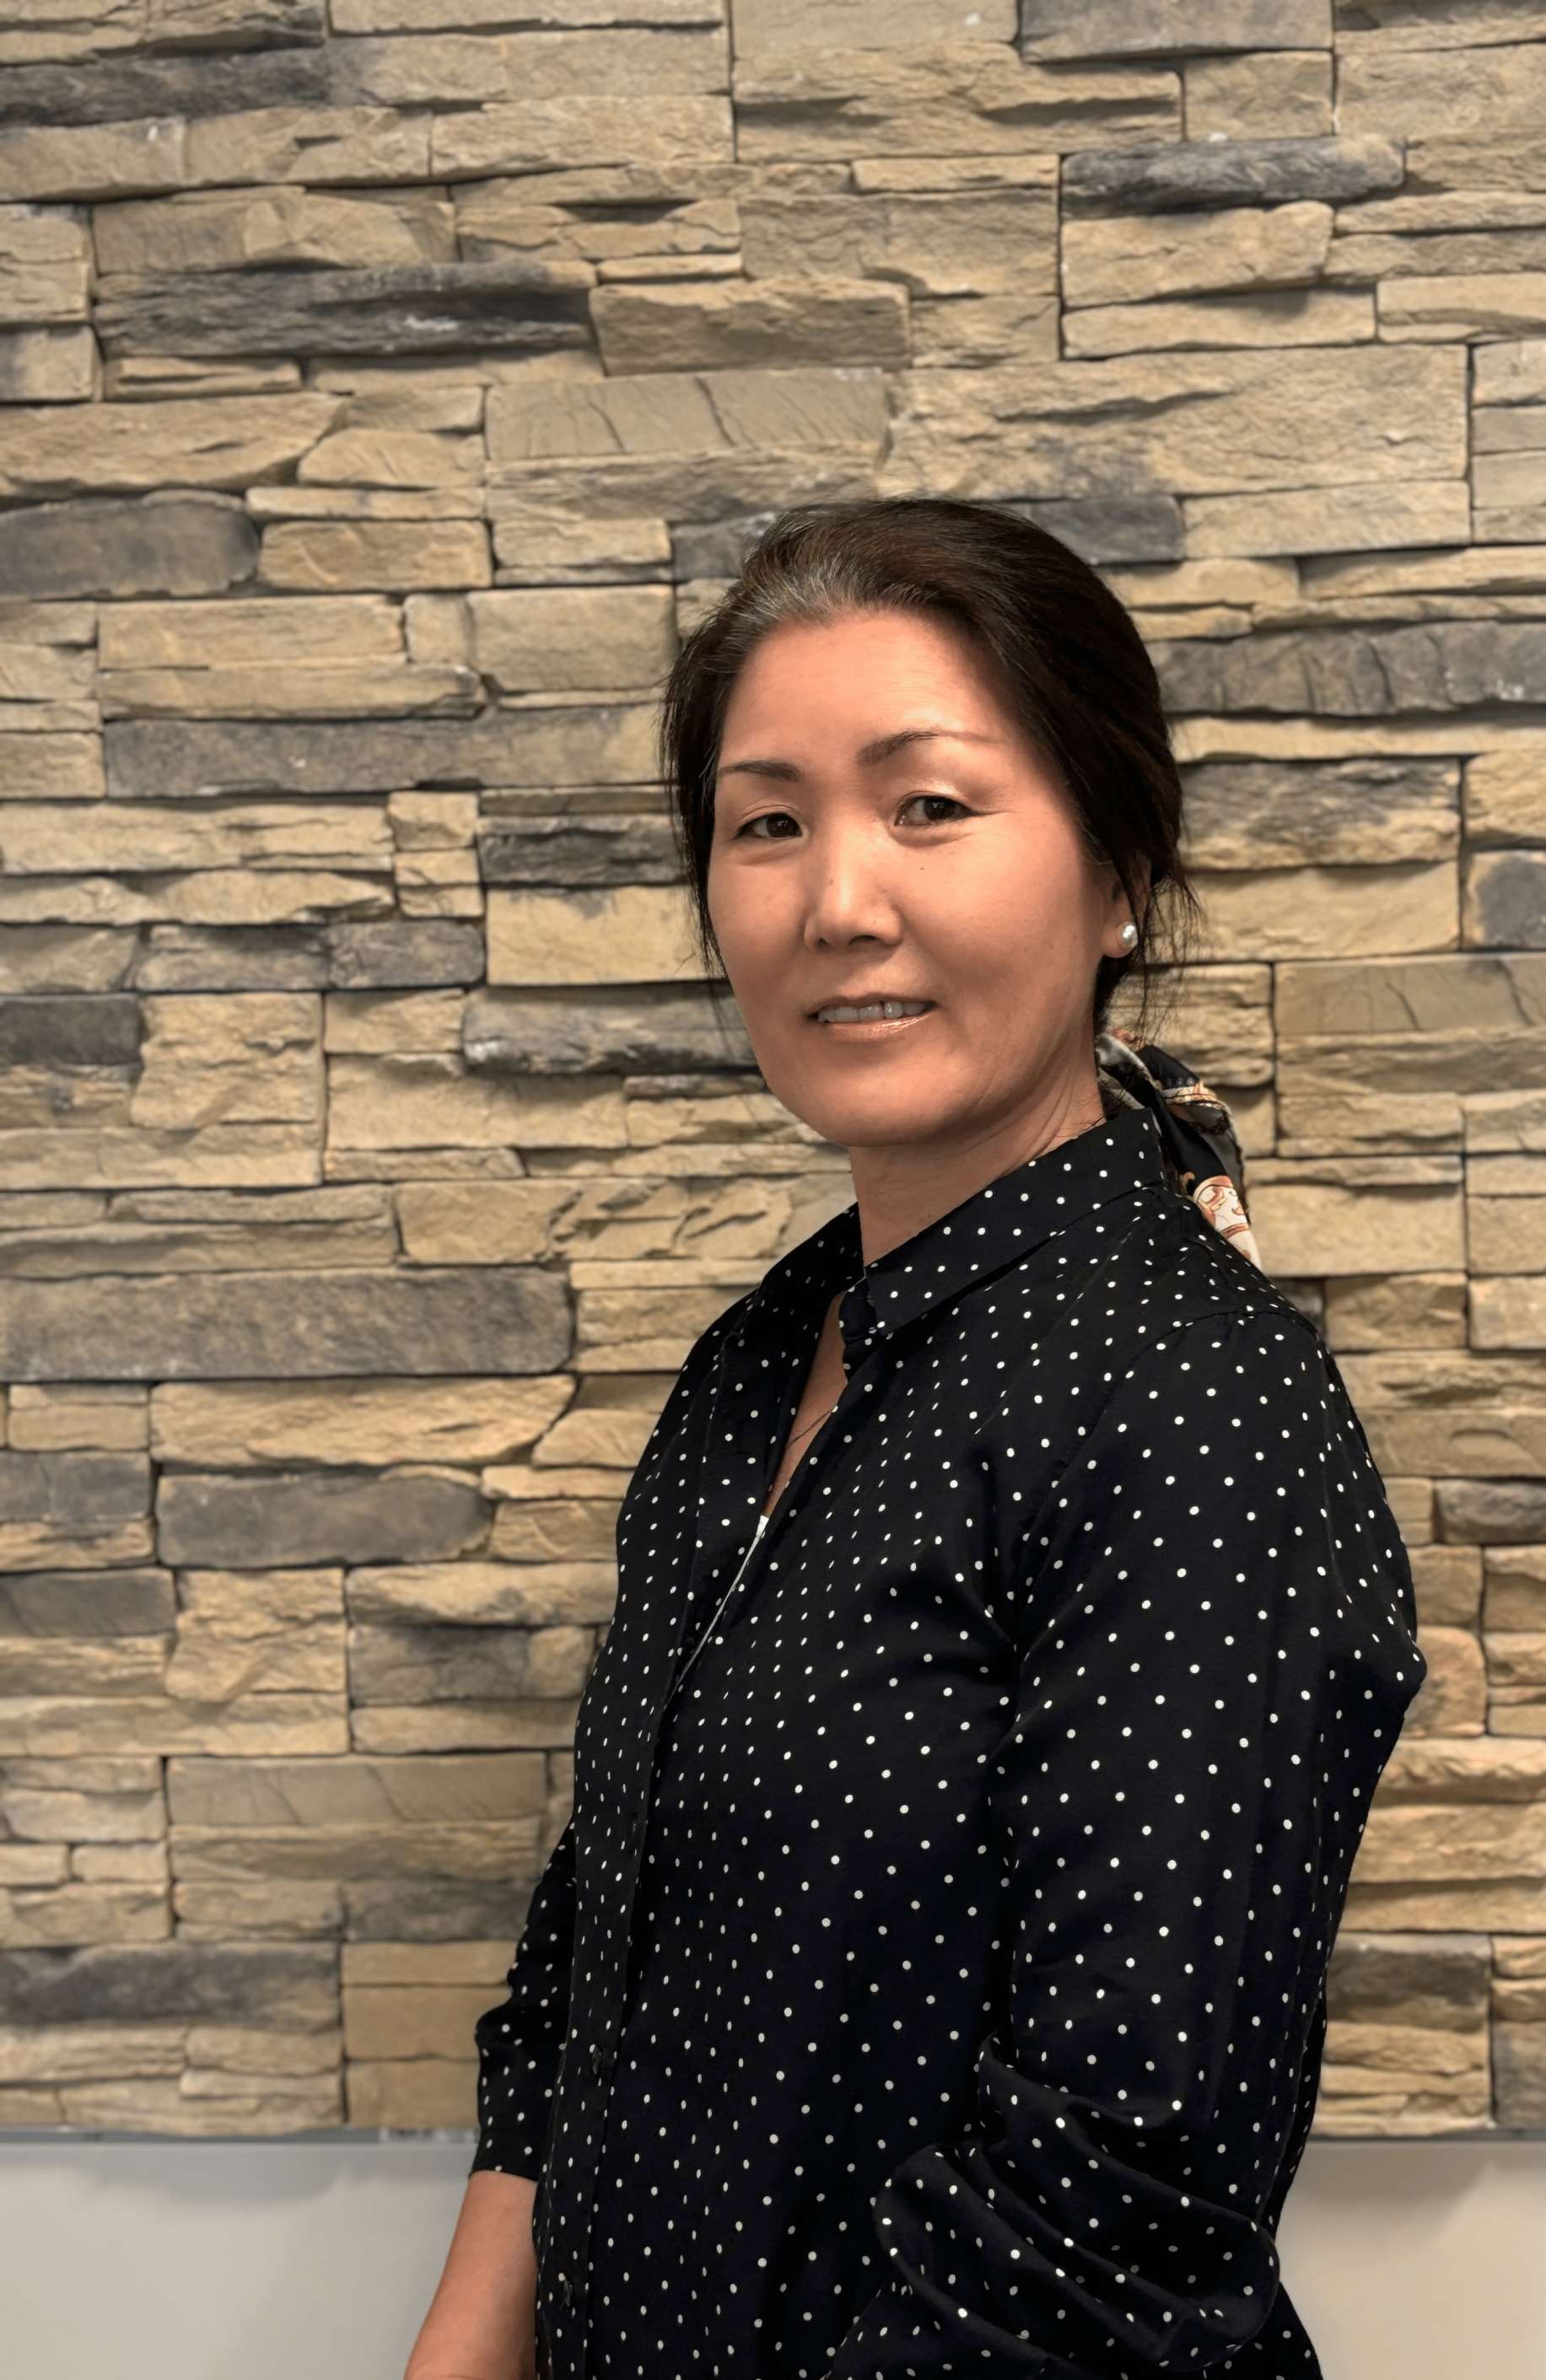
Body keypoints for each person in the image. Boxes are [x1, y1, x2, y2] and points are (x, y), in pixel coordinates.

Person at [405, 497, 1428, 2380]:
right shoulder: (753, 1367)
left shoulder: (1188, 1403)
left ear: (1116, 870)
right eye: (766, 819)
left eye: (927, 805)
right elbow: (594, 1965)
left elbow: (1115, 2201)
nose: (836, 901)